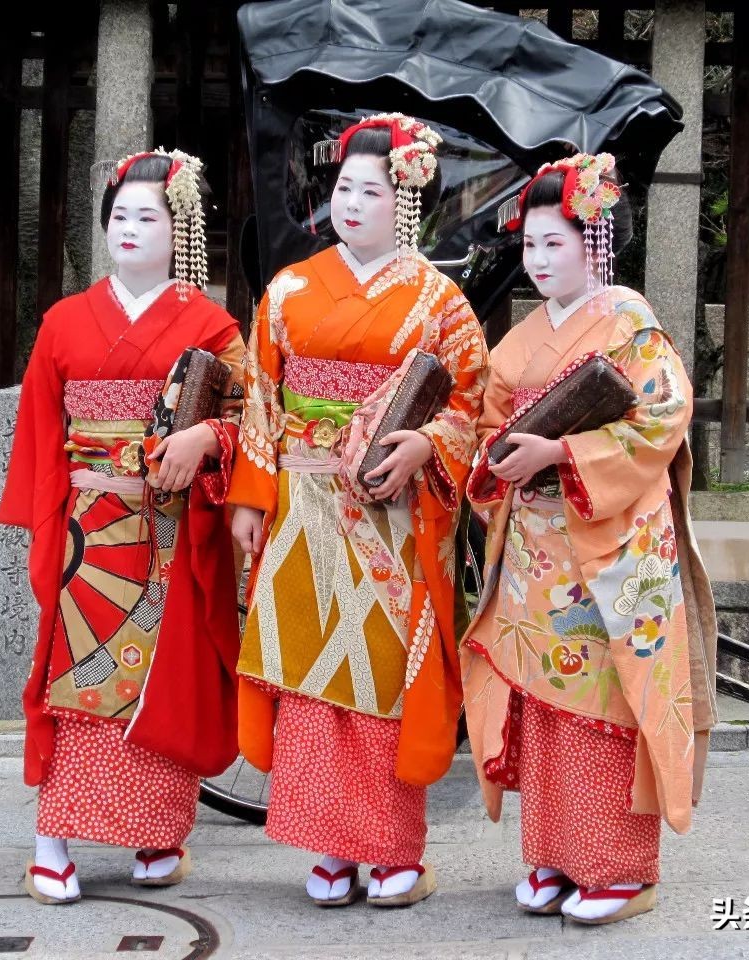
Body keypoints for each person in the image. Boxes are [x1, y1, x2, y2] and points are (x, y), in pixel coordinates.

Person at [228, 113, 488, 907]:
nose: (350, 203)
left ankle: (392, 850)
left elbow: (471, 404)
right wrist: (251, 497)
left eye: (370, 191)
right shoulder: (290, 290)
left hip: (393, 518)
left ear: (405, 202)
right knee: (310, 669)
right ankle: (330, 849)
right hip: (305, 506)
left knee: (382, 674)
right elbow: (260, 406)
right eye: (343, 188)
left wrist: (426, 446)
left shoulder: (441, 303)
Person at [461, 152, 717, 924]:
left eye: (554, 244)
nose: (538, 262)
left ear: (594, 243)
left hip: (610, 545)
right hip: (535, 545)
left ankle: (619, 868)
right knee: (540, 696)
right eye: (530, 246)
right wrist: (499, 456)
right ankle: (551, 856)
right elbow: (485, 421)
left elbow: (661, 420)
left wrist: (562, 453)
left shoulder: (633, 326)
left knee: (607, 701)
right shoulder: (525, 336)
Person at [0, 149, 245, 905]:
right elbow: (42, 432)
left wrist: (207, 440)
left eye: (150, 216)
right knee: (77, 677)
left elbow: (246, 418)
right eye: (119, 216)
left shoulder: (211, 323)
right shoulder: (65, 322)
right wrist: (45, 528)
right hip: (89, 527)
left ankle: (157, 832)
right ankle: (51, 839)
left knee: (167, 676)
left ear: (183, 231)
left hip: (172, 528)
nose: (130, 229)